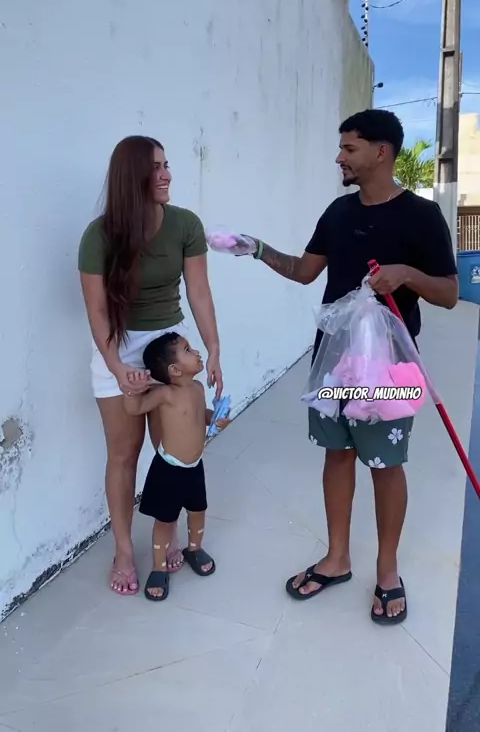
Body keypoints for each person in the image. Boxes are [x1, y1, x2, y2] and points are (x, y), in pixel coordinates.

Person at [241, 109, 458, 624]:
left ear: (381, 152)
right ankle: (337, 558)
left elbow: (450, 293)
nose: (339, 157)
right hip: (332, 362)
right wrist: (256, 249)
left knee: (386, 463)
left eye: (349, 148)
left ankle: (387, 570)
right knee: (336, 455)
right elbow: (303, 271)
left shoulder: (422, 216)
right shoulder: (338, 213)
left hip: (390, 369)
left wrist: (406, 274)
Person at [78, 136, 223, 595]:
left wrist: (213, 348)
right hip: (117, 346)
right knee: (124, 454)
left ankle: (168, 533)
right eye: (156, 168)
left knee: (172, 451)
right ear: (132, 177)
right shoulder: (99, 236)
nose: (166, 175)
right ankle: (124, 549)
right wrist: (116, 366)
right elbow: (97, 312)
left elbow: (199, 292)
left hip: (167, 346)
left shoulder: (185, 224)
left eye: (166, 164)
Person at [123, 331, 230, 601]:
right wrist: (131, 390)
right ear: (174, 369)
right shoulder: (165, 394)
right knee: (165, 520)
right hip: (169, 469)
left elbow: (200, 415)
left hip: (195, 466)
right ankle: (159, 567)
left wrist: (215, 418)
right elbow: (135, 408)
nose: (197, 352)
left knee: (198, 510)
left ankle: (194, 548)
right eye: (188, 350)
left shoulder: (198, 389)